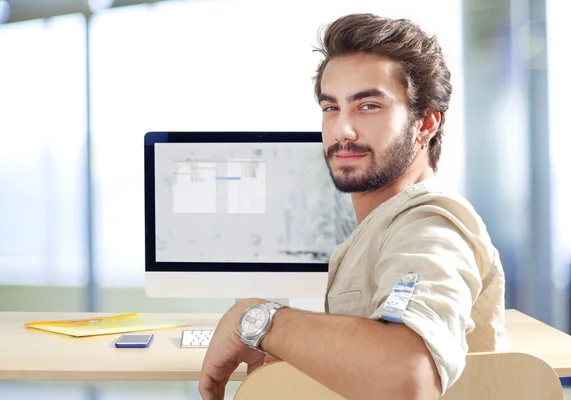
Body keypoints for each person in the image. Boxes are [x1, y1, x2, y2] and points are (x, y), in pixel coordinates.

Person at [198, 13, 506, 400]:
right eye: (331, 108)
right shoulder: (384, 225)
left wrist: (257, 319)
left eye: (368, 106)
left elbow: (409, 376)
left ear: (425, 124)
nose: (342, 130)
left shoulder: (430, 224)